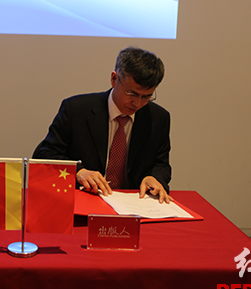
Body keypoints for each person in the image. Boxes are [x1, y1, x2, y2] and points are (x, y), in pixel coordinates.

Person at [32, 46, 171, 203]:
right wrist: (78, 172)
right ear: (114, 79)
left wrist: (154, 177)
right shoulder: (76, 110)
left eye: (146, 97)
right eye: (131, 93)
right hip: (84, 199)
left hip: (133, 204)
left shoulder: (158, 118)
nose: (137, 103)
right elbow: (45, 155)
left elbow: (161, 164)